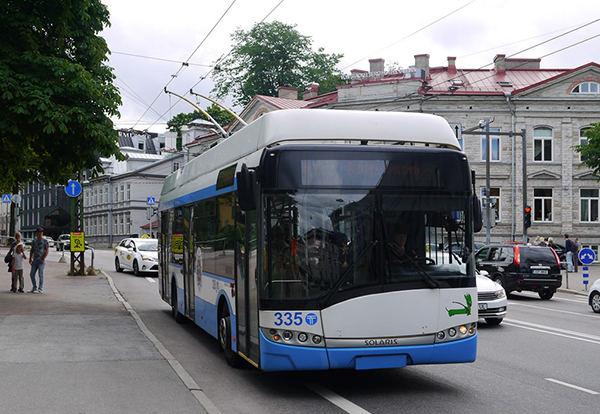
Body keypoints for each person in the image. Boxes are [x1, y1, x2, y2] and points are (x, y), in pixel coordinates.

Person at [29, 227, 49, 293]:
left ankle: (40, 288)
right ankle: (34, 287)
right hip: (35, 259)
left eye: (41, 232)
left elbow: (47, 250)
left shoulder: (45, 241)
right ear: (36, 233)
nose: (40, 233)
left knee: (40, 274)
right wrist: (30, 258)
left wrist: (43, 258)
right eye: (39, 232)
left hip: (41, 260)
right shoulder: (34, 241)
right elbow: (32, 250)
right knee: (32, 274)